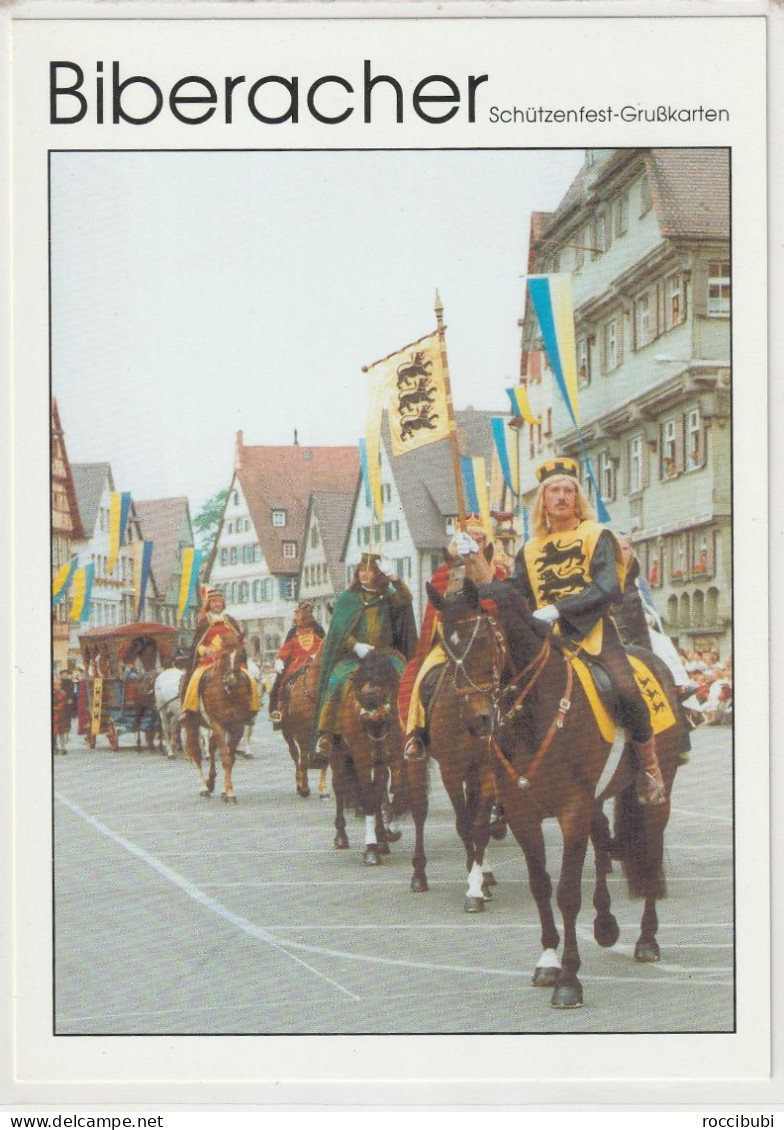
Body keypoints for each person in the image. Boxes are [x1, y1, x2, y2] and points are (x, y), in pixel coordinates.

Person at [512, 457, 666, 805]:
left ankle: (649, 769)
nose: (562, 496)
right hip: (545, 639)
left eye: (569, 490)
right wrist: (476, 564)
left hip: (593, 632)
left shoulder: (597, 535)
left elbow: (608, 586)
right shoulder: (528, 549)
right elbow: (515, 595)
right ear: (543, 500)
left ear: (577, 498)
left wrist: (559, 608)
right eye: (555, 490)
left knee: (627, 691)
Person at [400, 516, 509, 761]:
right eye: (467, 539)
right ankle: (416, 733)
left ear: (485, 544)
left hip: (490, 639)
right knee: (420, 678)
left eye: (479, 539)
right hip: (455, 642)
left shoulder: (498, 571)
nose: (474, 543)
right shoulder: (445, 573)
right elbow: (435, 612)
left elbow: (503, 605)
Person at [313, 552, 418, 764]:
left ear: (378, 573)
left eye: (369, 570)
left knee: (408, 679)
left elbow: (407, 599)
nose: (364, 574)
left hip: (385, 653)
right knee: (337, 681)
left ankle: (413, 732)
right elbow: (339, 630)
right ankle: (327, 733)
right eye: (361, 570)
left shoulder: (387, 594)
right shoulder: (348, 598)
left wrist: (395, 578)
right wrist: (355, 645)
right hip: (356, 655)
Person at [180, 588, 260, 723]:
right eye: (213, 602)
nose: (217, 604)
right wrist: (204, 650)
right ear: (209, 605)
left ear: (223, 604)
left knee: (250, 678)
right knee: (195, 678)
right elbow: (196, 645)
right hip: (208, 661)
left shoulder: (231, 621)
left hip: (230, 661)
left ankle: (251, 709)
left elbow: (239, 641)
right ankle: (189, 710)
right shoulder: (204, 622)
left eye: (219, 602)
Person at [269, 601, 325, 728]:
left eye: (298, 615)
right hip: (295, 664)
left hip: (315, 663)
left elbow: (324, 645)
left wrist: (317, 656)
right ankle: (279, 710)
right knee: (281, 684)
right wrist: (280, 659)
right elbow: (286, 647)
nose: (295, 618)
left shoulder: (318, 630)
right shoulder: (293, 631)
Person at [52, 673, 71, 755]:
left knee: (61, 732)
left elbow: (63, 703)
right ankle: (55, 747)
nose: (57, 686)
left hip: (61, 715)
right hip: (53, 716)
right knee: (54, 733)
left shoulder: (63, 693)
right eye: (55, 684)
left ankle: (63, 747)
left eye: (59, 684)